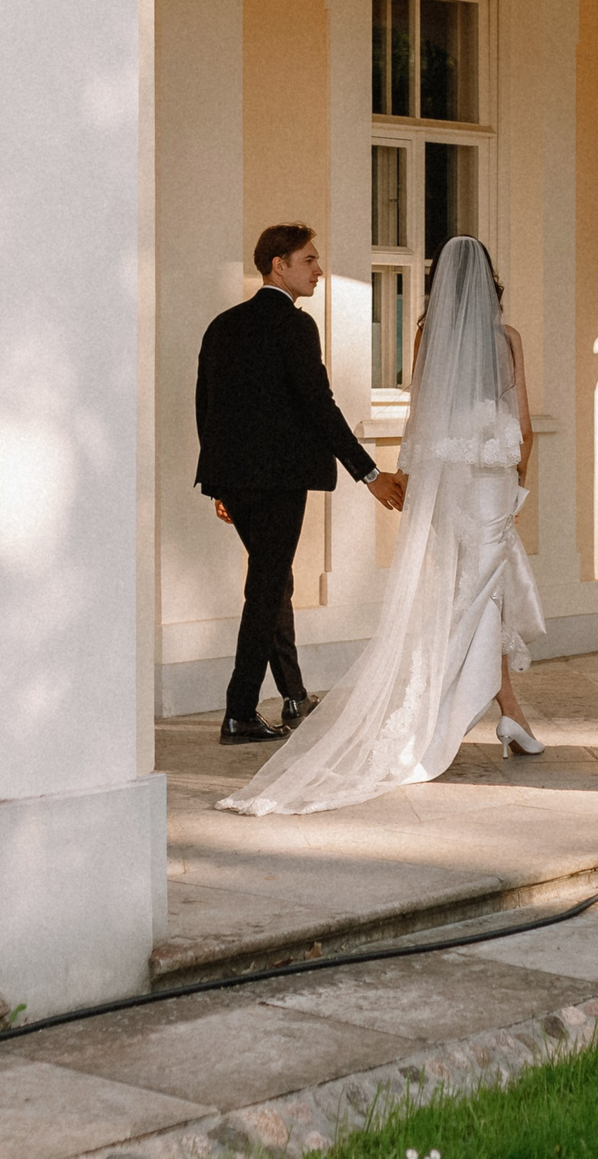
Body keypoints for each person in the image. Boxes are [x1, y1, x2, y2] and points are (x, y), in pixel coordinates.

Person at [219, 236, 548, 816]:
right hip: (494, 482)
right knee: (477, 595)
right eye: (310, 259)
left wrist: (403, 474)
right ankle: (456, 715)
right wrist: (520, 485)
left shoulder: (427, 334)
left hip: (447, 484)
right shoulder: (509, 339)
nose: (319, 268)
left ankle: (507, 713)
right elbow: (521, 426)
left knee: (464, 592)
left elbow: (421, 412)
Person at [196, 223, 405, 746]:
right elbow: (319, 407)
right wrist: (371, 474)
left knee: (273, 581)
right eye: (308, 260)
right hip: (278, 481)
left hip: (236, 480)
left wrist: (221, 483)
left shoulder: (222, 325)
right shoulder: (294, 325)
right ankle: (240, 711)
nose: (318, 270)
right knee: (266, 588)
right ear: (278, 266)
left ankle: (292, 694)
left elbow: (208, 409)